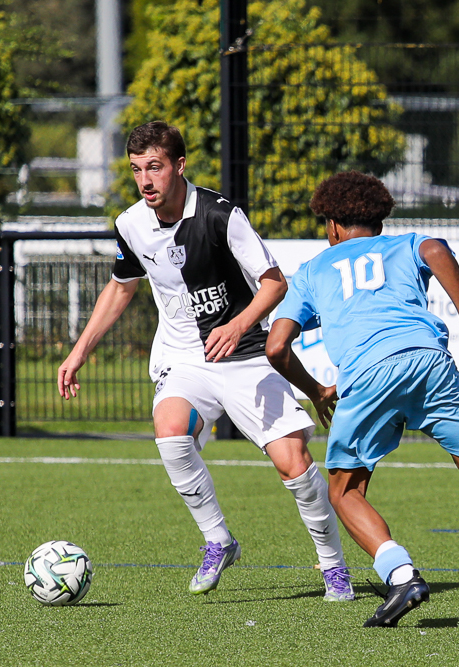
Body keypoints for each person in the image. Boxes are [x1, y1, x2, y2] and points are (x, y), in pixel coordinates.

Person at [57, 121, 354, 600]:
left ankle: (333, 566)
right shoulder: (131, 224)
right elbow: (121, 286)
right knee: (170, 430)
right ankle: (218, 540)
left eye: (154, 167)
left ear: (179, 165)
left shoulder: (220, 215)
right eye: (136, 170)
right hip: (183, 357)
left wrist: (238, 325)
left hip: (245, 354)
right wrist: (79, 351)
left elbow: (274, 283)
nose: (145, 181)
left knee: (293, 463)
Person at [265, 170, 459, 627]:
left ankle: (402, 575)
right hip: (430, 361)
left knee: (345, 490)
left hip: (369, 376)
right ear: (380, 222)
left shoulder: (313, 270)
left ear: (332, 225)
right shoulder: (405, 244)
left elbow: (275, 347)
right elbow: (436, 250)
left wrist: (317, 392)